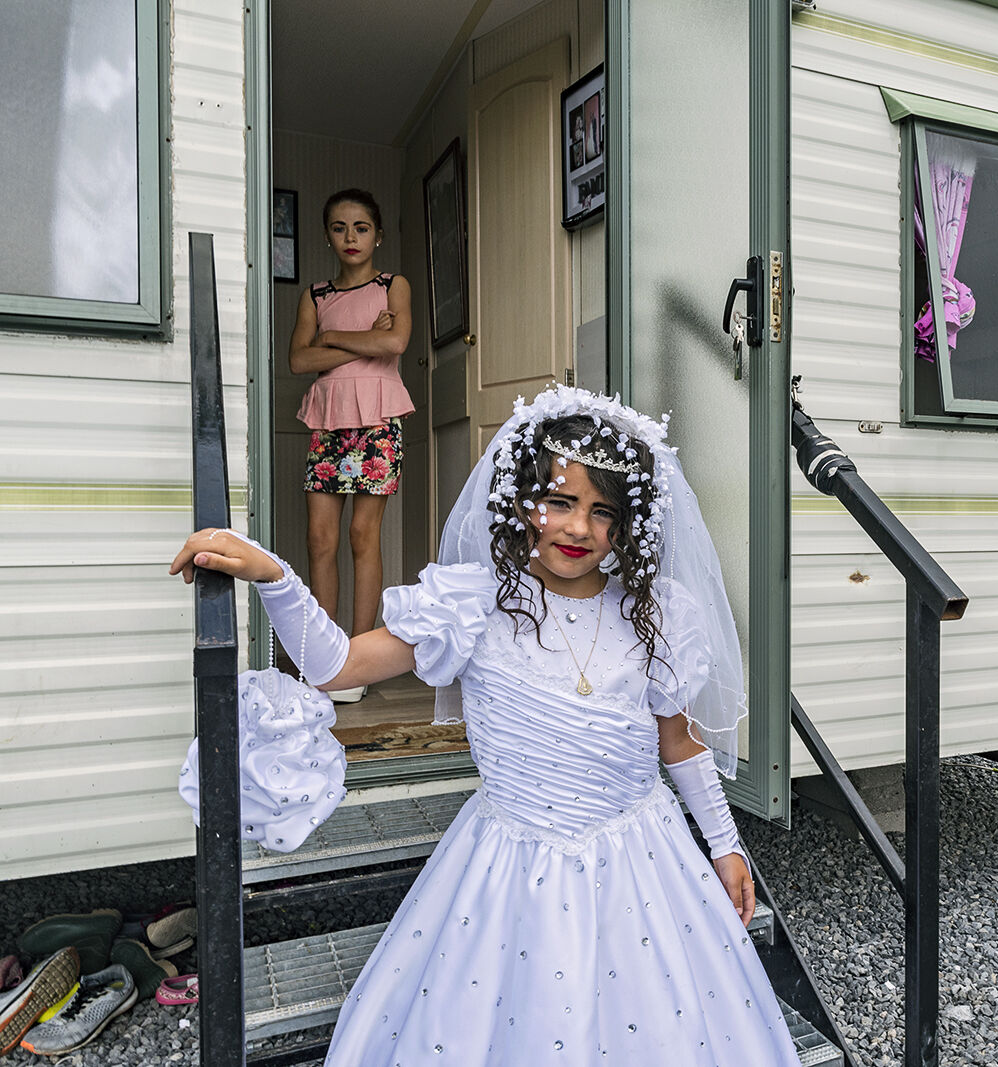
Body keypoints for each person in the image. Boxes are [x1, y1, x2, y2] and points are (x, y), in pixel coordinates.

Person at [170, 387, 802, 1066]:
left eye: (602, 512)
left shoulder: (655, 618)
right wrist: (273, 575)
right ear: (523, 502)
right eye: (559, 501)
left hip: (641, 856)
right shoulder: (472, 605)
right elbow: (336, 665)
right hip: (511, 863)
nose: (578, 528)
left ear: (624, 527)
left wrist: (726, 844)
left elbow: (679, 742)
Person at [288, 188, 414, 701]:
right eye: (339, 228)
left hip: (379, 421)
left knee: (364, 537)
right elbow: (298, 361)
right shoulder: (316, 296)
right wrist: (360, 335)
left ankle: (357, 661)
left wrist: (330, 341)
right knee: (321, 540)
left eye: (361, 227)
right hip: (328, 422)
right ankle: (326, 655)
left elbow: (395, 344)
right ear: (328, 236)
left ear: (377, 235)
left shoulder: (393, 285)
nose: (351, 237)